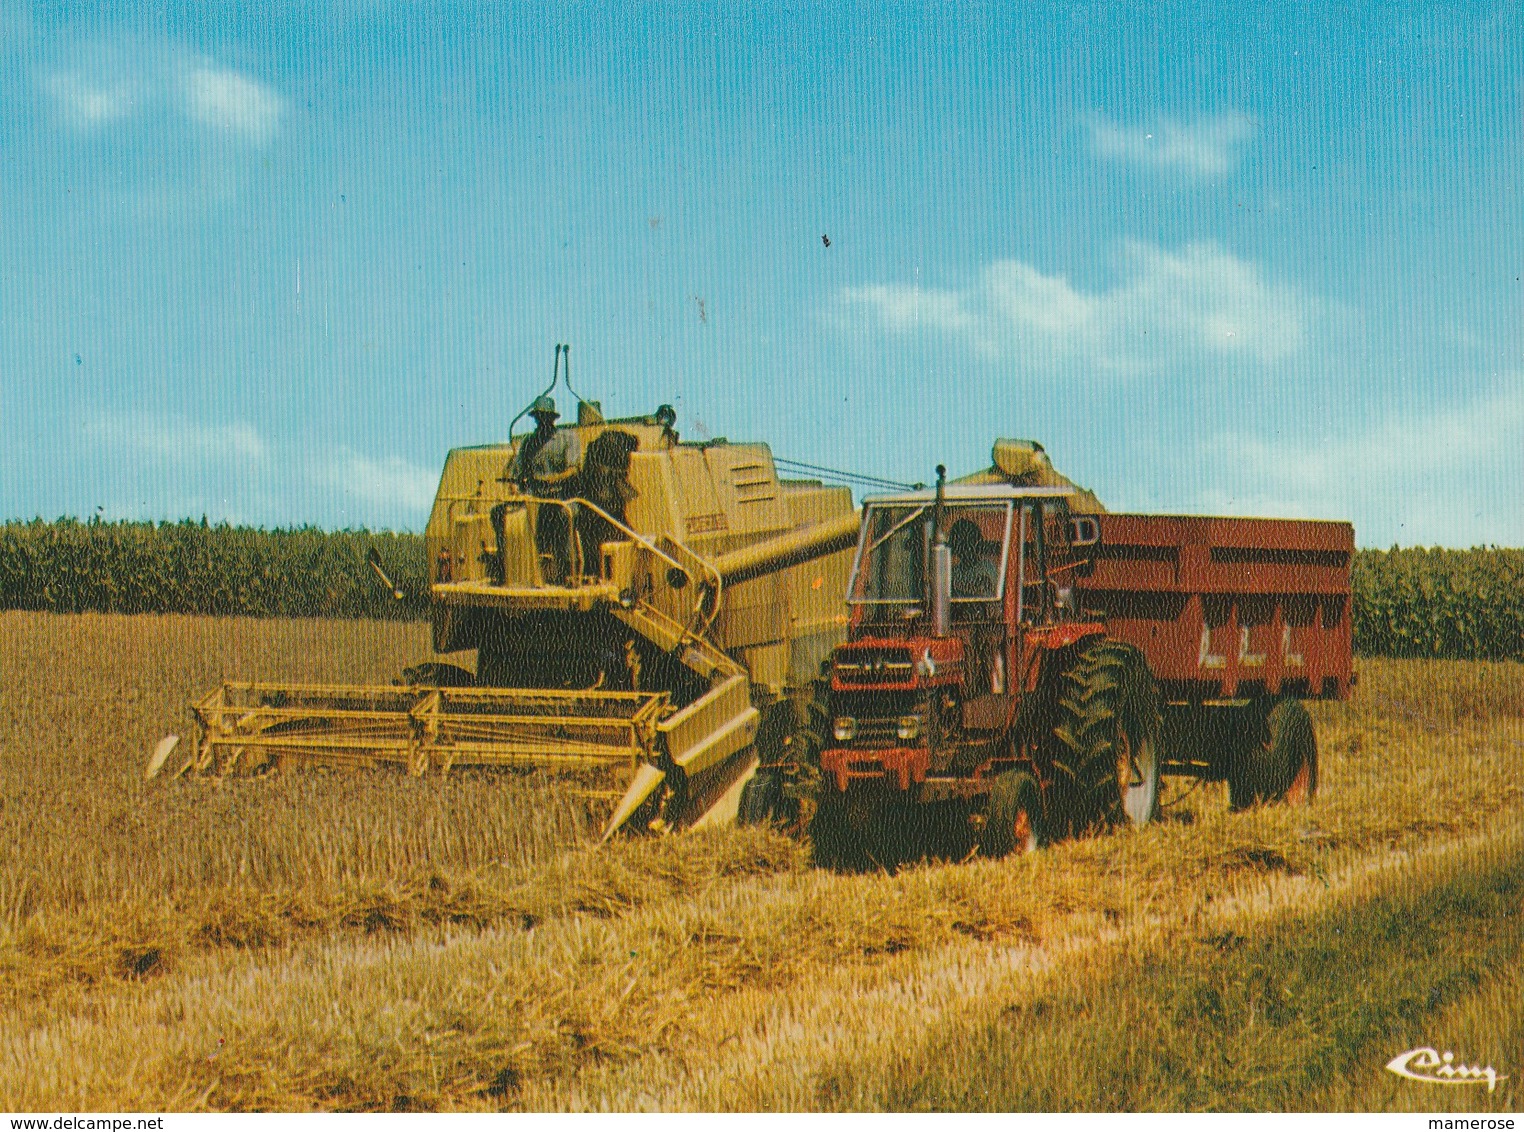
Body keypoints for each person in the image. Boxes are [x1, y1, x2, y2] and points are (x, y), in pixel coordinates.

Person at [510, 396, 582, 496]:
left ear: (552, 418)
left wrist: (553, 479)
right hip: (536, 495)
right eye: (539, 416)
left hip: (563, 496)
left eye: (546, 416)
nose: (542, 420)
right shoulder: (528, 443)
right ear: (535, 418)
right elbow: (519, 472)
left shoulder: (568, 438)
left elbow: (573, 470)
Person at [948, 518, 998, 599]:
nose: (965, 548)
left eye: (969, 542)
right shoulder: (954, 573)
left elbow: (985, 593)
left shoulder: (986, 568)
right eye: (960, 543)